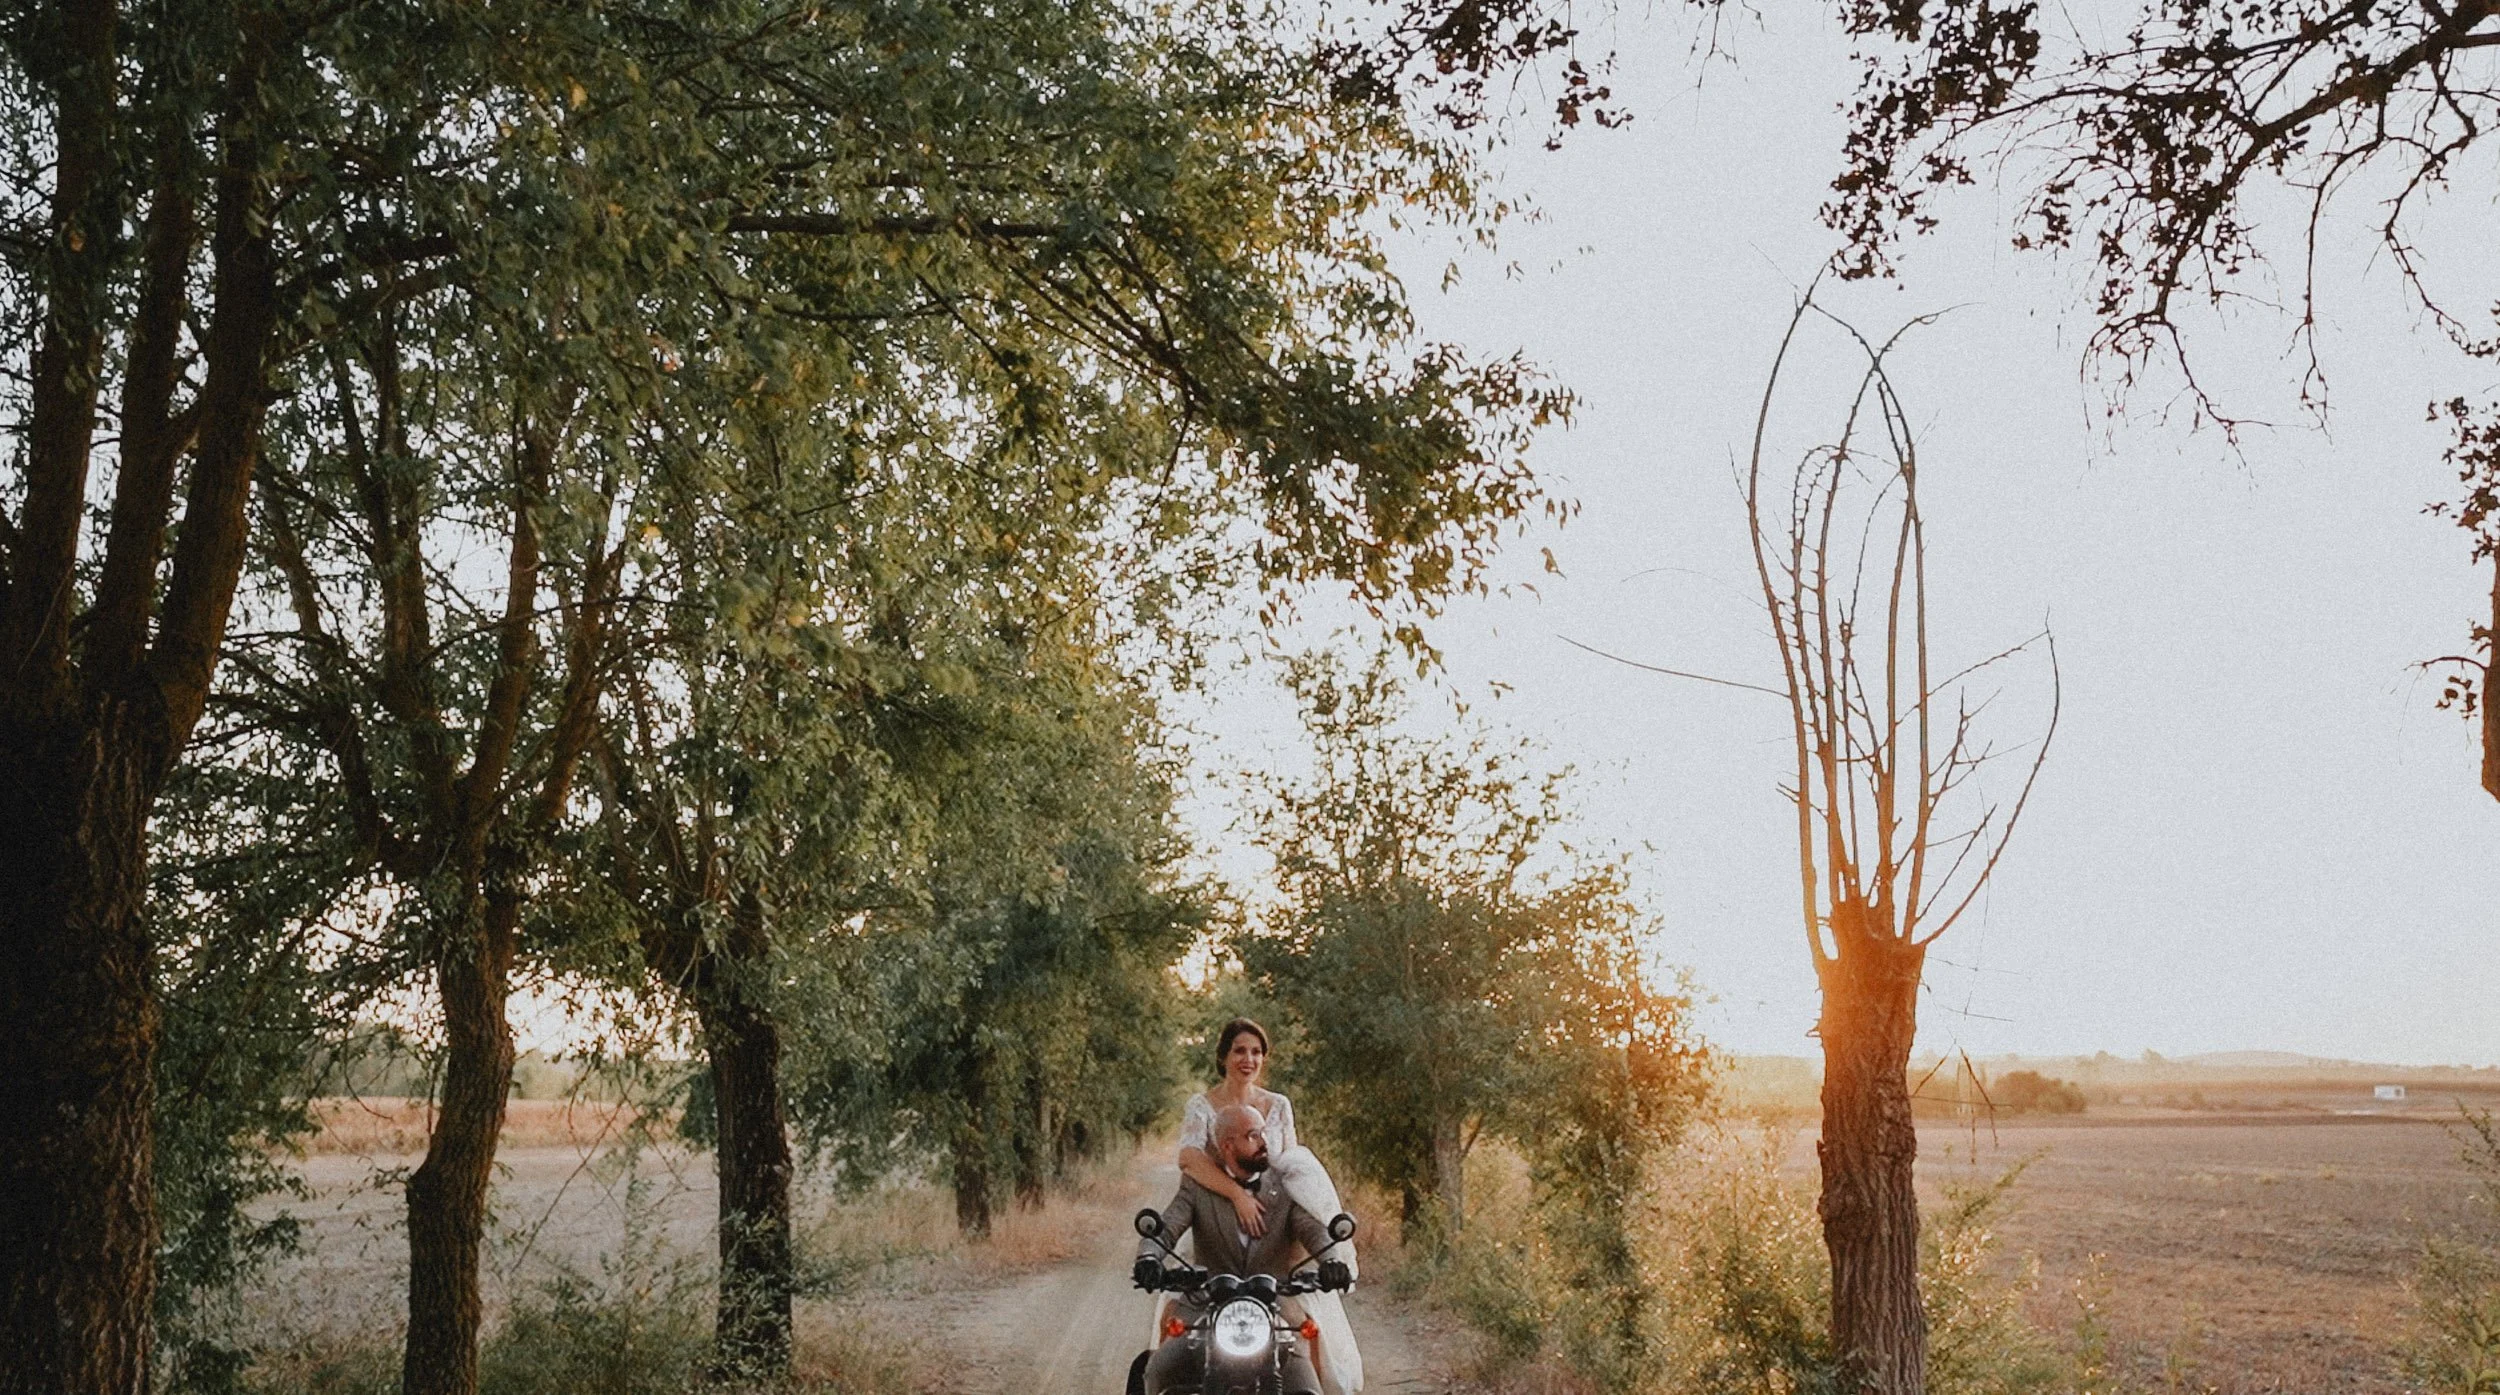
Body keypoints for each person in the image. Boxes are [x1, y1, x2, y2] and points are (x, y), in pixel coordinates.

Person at [1170, 1018, 1363, 1395]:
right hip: (1217, 1228)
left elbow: (1291, 1171)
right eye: (1240, 1050)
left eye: (1257, 1052)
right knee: (1173, 1328)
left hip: (1272, 1237)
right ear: (1223, 1056)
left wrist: (1316, 1241)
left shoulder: (1278, 1105)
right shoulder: (1202, 1105)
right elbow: (1190, 1160)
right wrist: (1237, 1196)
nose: (1249, 1059)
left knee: (1308, 1335)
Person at [1136, 1104, 1346, 1395]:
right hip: (1204, 1302)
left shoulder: (1283, 1186)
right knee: (1158, 1370)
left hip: (1274, 1304)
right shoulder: (1197, 1188)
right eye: (1252, 1136)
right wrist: (1149, 1257)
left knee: (1308, 1385)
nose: (1264, 1142)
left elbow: (1312, 1229)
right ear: (1227, 1145)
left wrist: (1331, 1261)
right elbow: (1166, 1227)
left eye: (1263, 1133)